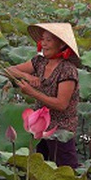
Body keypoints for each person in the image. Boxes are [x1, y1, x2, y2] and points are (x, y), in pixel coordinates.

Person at [7, 23, 80, 168]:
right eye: (43, 40)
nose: (44, 44)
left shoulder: (68, 70)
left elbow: (61, 104)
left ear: (61, 45)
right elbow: (9, 70)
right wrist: (26, 76)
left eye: (49, 40)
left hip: (61, 129)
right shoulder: (39, 62)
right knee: (44, 170)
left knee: (67, 173)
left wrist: (33, 93)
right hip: (40, 126)